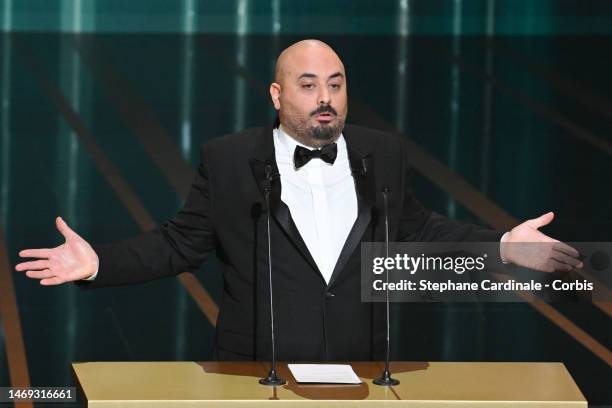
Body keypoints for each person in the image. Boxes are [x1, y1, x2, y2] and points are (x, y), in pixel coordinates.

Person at [15, 39, 582, 361]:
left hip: (366, 374)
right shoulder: (231, 158)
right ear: (278, 93)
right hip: (256, 374)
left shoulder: (382, 153)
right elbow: (180, 245)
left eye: (335, 84)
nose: (325, 98)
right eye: (309, 85)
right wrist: (99, 264)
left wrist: (502, 244)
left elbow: (418, 228)